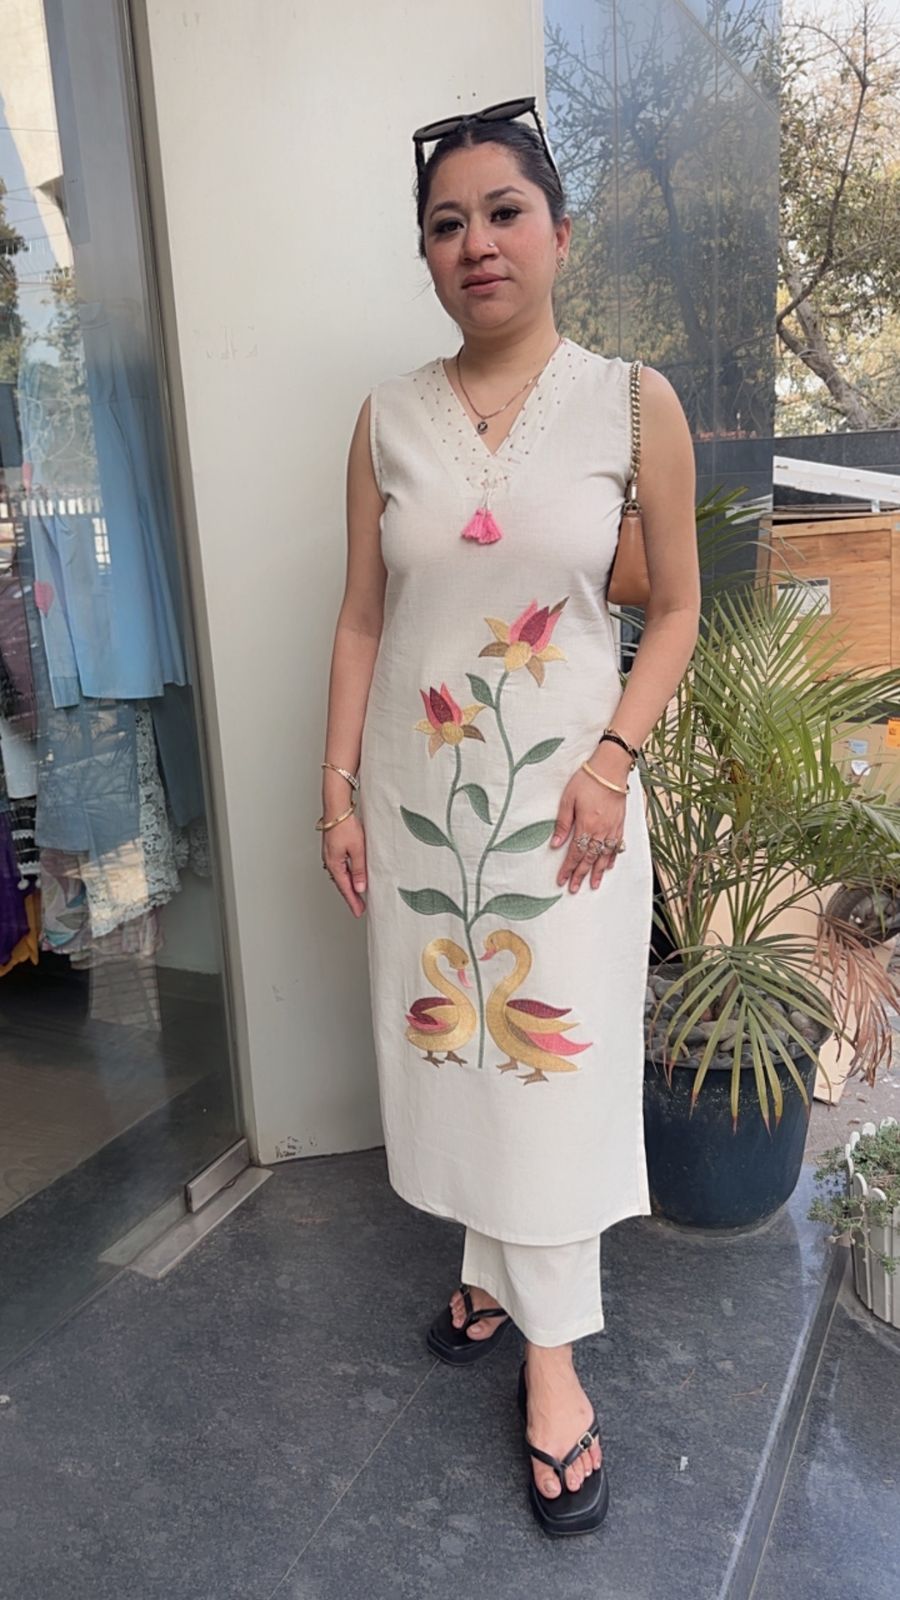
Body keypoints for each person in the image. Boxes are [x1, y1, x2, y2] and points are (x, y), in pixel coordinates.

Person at [318, 97, 700, 1537]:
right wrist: (336, 787)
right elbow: (363, 618)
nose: (476, 242)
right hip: (426, 805)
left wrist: (612, 757)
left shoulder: (633, 402)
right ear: (424, 254)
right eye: (446, 223)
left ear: (559, 232)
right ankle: (487, 1268)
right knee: (468, 1050)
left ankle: (553, 1363)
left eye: (503, 212)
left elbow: (677, 608)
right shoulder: (385, 420)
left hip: (567, 811)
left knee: (552, 1070)